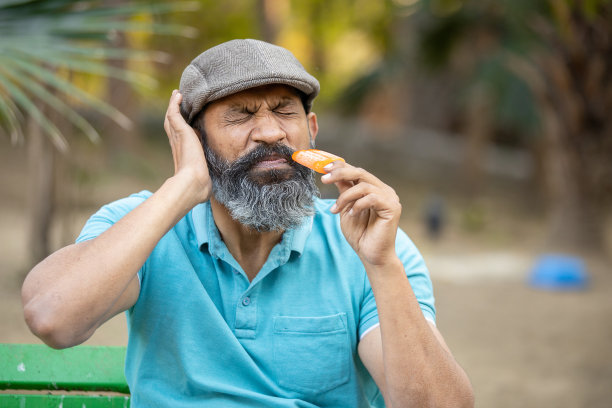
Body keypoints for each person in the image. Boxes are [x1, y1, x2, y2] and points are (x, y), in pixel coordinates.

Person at [22, 39, 474, 407]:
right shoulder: (144, 227)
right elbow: (52, 318)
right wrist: (183, 187)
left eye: (284, 111)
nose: (271, 133)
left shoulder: (367, 243)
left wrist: (382, 266)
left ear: (311, 129)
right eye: (240, 114)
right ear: (193, 140)